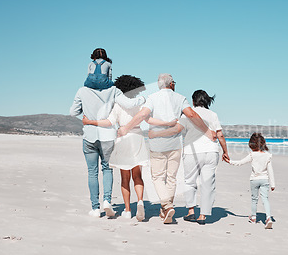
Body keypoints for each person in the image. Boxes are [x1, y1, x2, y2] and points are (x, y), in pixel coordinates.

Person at [118, 74, 217, 224]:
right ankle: (165, 211)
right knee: (171, 178)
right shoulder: (180, 98)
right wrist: (207, 131)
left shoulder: (152, 97)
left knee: (157, 177)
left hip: (157, 144)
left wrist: (126, 127)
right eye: (174, 82)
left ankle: (167, 205)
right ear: (171, 84)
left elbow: (143, 115)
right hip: (175, 145)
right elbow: (192, 114)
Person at [82, 75, 176, 221]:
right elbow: (149, 119)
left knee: (124, 178)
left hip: (123, 139)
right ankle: (140, 201)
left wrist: (90, 122)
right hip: (137, 138)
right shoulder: (140, 104)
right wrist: (168, 123)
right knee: (137, 176)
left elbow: (108, 122)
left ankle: (127, 210)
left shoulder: (118, 105)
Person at [70, 61, 145, 218]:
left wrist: (90, 121)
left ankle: (113, 209)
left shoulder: (88, 93)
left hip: (104, 137)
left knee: (100, 173)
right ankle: (133, 202)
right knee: (128, 173)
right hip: (131, 139)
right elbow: (146, 117)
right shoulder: (126, 99)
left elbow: (107, 120)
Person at [149, 90, 229, 225]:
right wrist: (225, 152)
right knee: (208, 184)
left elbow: (176, 130)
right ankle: (203, 215)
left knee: (189, 182)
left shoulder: (186, 115)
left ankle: (191, 211)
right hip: (210, 152)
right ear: (206, 101)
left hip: (192, 152)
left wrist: (157, 134)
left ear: (193, 101)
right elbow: (220, 135)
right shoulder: (213, 115)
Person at [226, 133, 275, 229]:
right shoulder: (267, 156)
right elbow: (270, 171)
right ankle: (268, 218)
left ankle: (253, 217)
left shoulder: (252, 155)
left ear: (252, 145)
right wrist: (273, 184)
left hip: (254, 180)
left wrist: (229, 161)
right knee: (265, 199)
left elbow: (240, 163)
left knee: (254, 199)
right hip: (264, 180)